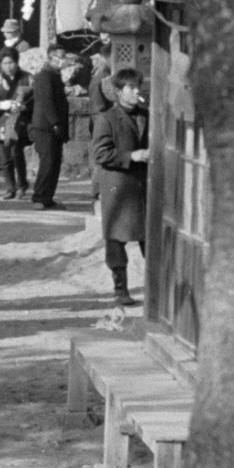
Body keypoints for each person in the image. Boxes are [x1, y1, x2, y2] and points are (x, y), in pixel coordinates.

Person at [92, 70, 151, 307]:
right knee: (116, 240)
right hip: (118, 187)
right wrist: (131, 155)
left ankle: (156, 288)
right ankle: (121, 290)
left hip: (144, 186)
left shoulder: (147, 115)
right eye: (131, 88)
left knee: (150, 238)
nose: (137, 92)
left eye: (139, 87)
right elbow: (100, 153)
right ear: (118, 92)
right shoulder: (106, 119)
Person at [30, 48, 72, 209]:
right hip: (44, 127)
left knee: (54, 162)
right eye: (61, 57)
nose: (63, 60)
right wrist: (55, 122)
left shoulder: (55, 76)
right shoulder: (44, 76)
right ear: (51, 58)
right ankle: (39, 197)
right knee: (47, 162)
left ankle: (48, 197)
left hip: (55, 127)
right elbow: (45, 102)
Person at [0, 51, 31, 200]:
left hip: (19, 120)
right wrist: (0, 104)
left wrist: (25, 107)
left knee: (16, 152)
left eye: (11, 62)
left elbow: (35, 98)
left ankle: (22, 184)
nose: (9, 66)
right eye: (5, 63)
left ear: (17, 62)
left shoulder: (27, 78)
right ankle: (9, 187)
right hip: (2, 119)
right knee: (5, 155)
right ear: (0, 64)